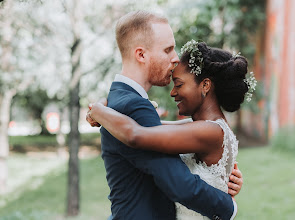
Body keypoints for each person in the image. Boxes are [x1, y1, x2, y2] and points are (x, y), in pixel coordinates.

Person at [88, 11, 244, 220]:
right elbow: (179, 183)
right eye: (168, 49)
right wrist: (228, 207)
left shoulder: (121, 99)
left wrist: (220, 176)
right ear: (141, 55)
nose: (175, 58)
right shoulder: (134, 106)